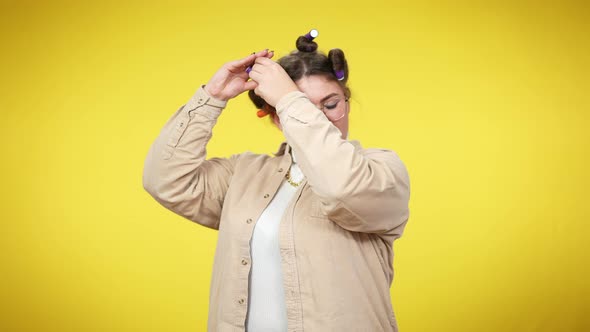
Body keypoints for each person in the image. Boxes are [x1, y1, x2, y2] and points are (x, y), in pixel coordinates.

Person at [143, 31, 411, 332]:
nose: (320, 118)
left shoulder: (381, 171)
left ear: (346, 102)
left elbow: (342, 190)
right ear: (277, 118)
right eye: (301, 107)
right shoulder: (243, 174)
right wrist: (211, 98)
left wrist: (288, 98)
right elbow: (164, 180)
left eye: (331, 104)